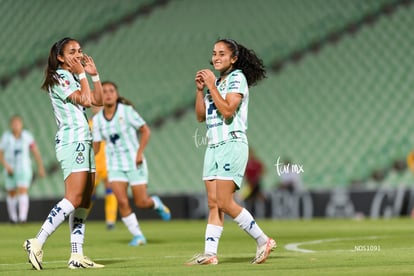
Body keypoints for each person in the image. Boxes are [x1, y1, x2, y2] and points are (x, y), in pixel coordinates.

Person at [186, 39, 276, 266]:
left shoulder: (237, 78)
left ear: (233, 58)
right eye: (214, 53)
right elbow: (200, 117)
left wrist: (212, 87)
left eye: (222, 53)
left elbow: (227, 111)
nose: (216, 57)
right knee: (214, 203)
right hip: (213, 146)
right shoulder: (215, 83)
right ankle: (210, 253)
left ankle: (263, 240)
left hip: (231, 144)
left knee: (225, 202)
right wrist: (200, 91)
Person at [23, 37, 104, 270]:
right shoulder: (59, 77)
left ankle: (76, 255)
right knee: (74, 197)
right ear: (60, 57)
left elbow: (97, 100)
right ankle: (37, 241)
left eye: (80, 50)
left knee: (84, 201)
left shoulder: (72, 76)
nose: (78, 54)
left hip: (84, 140)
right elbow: (86, 101)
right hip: (73, 140)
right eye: (72, 52)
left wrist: (94, 75)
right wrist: (82, 74)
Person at [92, 81, 171, 246]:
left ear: (116, 94)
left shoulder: (126, 112)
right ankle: (138, 236)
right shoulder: (97, 120)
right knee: (121, 201)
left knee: (142, 202)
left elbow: (145, 130)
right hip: (114, 165)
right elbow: (97, 147)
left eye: (111, 91)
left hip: (134, 162)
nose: (107, 94)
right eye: (104, 91)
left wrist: (140, 153)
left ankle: (156, 203)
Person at [0, 115, 46, 223]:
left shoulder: (27, 136)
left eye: (18, 123)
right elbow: (1, 153)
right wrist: (6, 166)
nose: (16, 125)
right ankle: (13, 218)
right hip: (10, 168)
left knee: (22, 190)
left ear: (21, 124)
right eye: (14, 123)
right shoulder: (6, 137)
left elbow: (35, 151)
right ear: (11, 125)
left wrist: (40, 167)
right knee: (11, 192)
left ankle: (22, 218)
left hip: (24, 168)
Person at [89, 106, 118, 230]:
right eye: (95, 105)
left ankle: (110, 222)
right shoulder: (87, 123)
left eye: (99, 105)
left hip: (108, 161)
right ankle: (79, 218)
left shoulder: (109, 123)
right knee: (90, 193)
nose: (97, 108)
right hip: (93, 162)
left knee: (110, 189)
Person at [242, 147, 266, 218]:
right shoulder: (245, 163)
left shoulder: (256, 162)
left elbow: (263, 171)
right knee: (248, 200)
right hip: (249, 185)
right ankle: (250, 215)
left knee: (258, 199)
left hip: (256, 184)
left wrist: (257, 178)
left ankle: (262, 215)